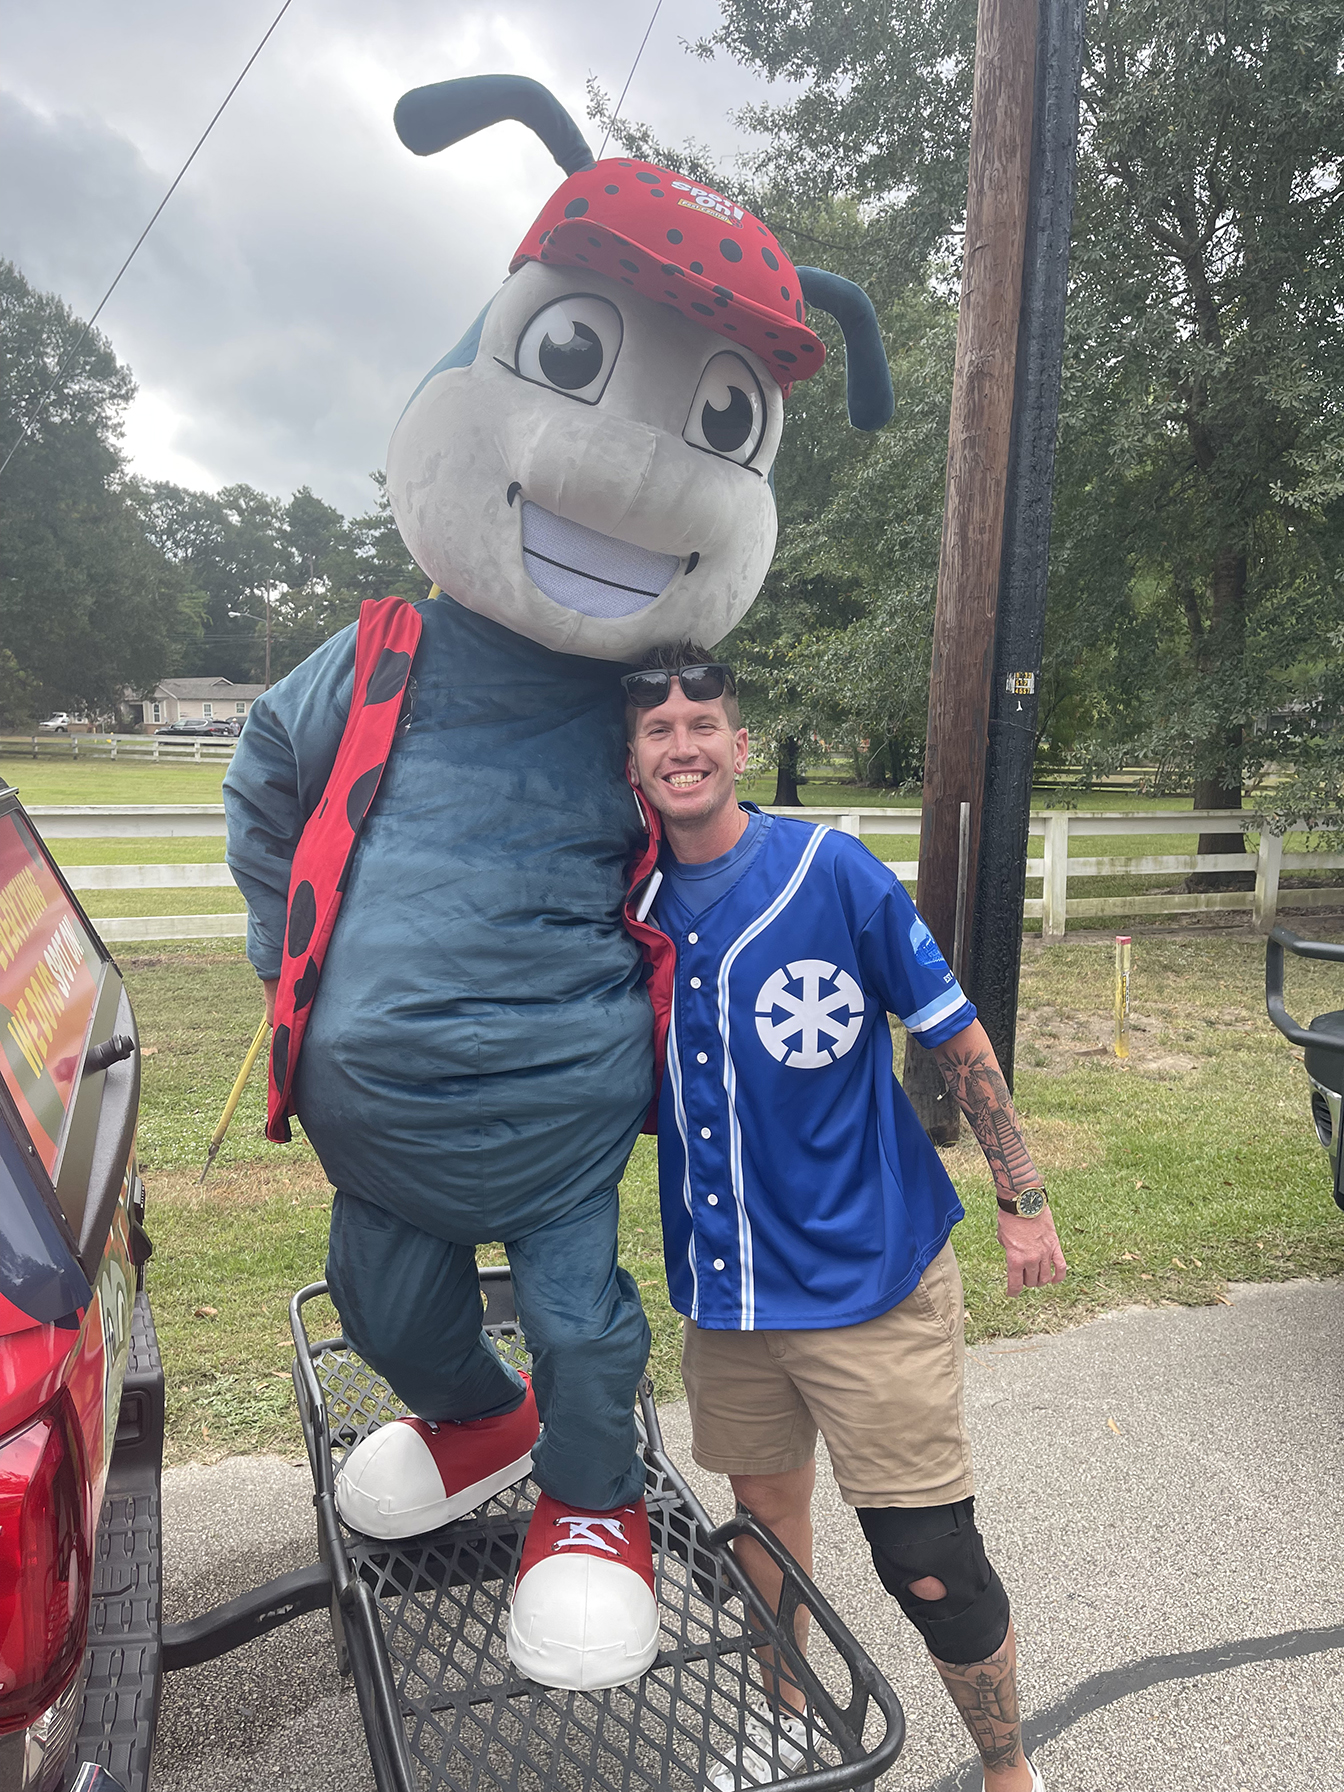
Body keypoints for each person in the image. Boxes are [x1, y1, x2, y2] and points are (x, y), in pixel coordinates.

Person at [622, 642, 1067, 1792]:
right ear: (633, 761)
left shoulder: (831, 871)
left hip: (872, 1279)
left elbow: (953, 1036)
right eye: (659, 730)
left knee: (927, 1557)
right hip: (728, 1292)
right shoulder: (628, 901)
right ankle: (786, 1715)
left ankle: (1007, 1766)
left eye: (702, 724)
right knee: (763, 1528)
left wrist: (1024, 1195)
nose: (684, 745)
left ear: (740, 744)